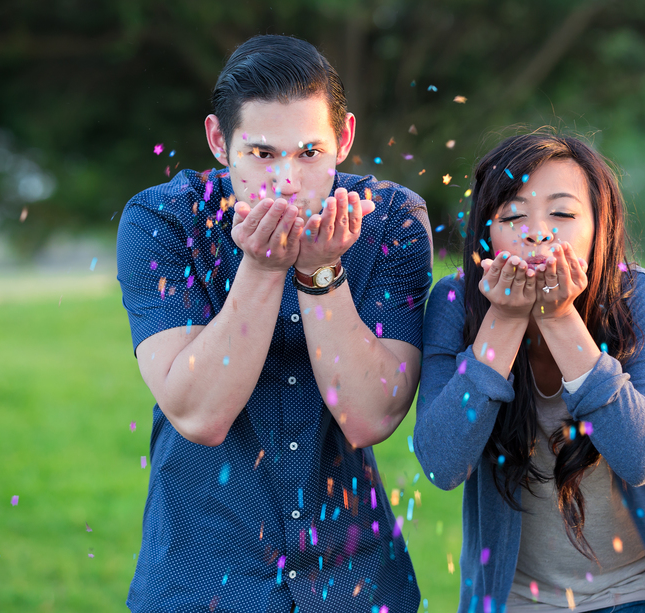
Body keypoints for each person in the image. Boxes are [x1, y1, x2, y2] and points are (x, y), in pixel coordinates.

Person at [116, 34, 430, 612]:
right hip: (202, 574)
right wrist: (262, 270)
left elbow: (370, 415)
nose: (287, 180)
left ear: (345, 140)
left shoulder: (389, 220)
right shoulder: (163, 221)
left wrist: (321, 274)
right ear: (218, 140)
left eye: (310, 153)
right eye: (262, 154)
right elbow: (199, 413)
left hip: (353, 577)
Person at [413, 131, 645, 613]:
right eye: (513, 216)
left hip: (642, 587)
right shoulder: (456, 305)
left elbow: (641, 454)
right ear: (485, 235)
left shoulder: (643, 296)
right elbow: (440, 461)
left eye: (562, 214)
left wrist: (560, 318)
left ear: (599, 228)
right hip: (520, 599)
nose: (538, 232)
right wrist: (503, 322)